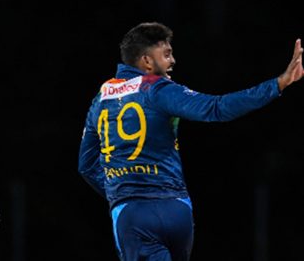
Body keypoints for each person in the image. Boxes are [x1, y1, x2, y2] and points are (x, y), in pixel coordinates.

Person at [78, 22, 304, 261]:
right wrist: (279, 83)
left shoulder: (101, 97)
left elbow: (86, 164)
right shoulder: (158, 88)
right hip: (177, 210)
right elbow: (217, 108)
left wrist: (120, 192)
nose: (172, 60)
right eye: (166, 54)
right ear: (146, 60)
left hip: (133, 214)